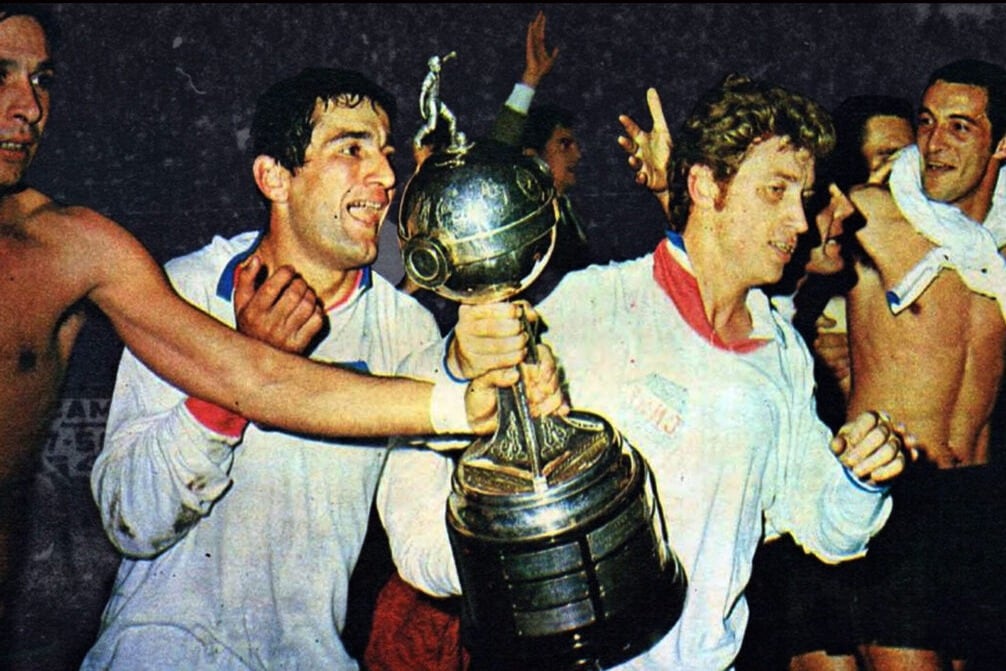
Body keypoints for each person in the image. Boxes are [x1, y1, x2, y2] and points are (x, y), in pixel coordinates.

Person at [0, 5, 566, 632]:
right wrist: (224, 398)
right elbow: (130, 519)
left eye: (383, 152)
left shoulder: (408, 330)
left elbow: (423, 550)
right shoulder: (185, 288)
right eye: (352, 149)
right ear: (274, 177)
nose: (384, 176)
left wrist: (526, 459)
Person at [484, 72, 910, 669]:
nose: (798, 220)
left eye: (803, 197)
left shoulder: (781, 351)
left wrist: (862, 478)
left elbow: (826, 529)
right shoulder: (592, 306)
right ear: (706, 184)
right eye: (775, 191)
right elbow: (456, 442)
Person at [831, 59, 1006, 671]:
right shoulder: (870, 213)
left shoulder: (1000, 249)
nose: (932, 143)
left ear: (1002, 144)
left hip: (979, 505)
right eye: (927, 122)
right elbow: (752, 249)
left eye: (961, 127)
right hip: (891, 497)